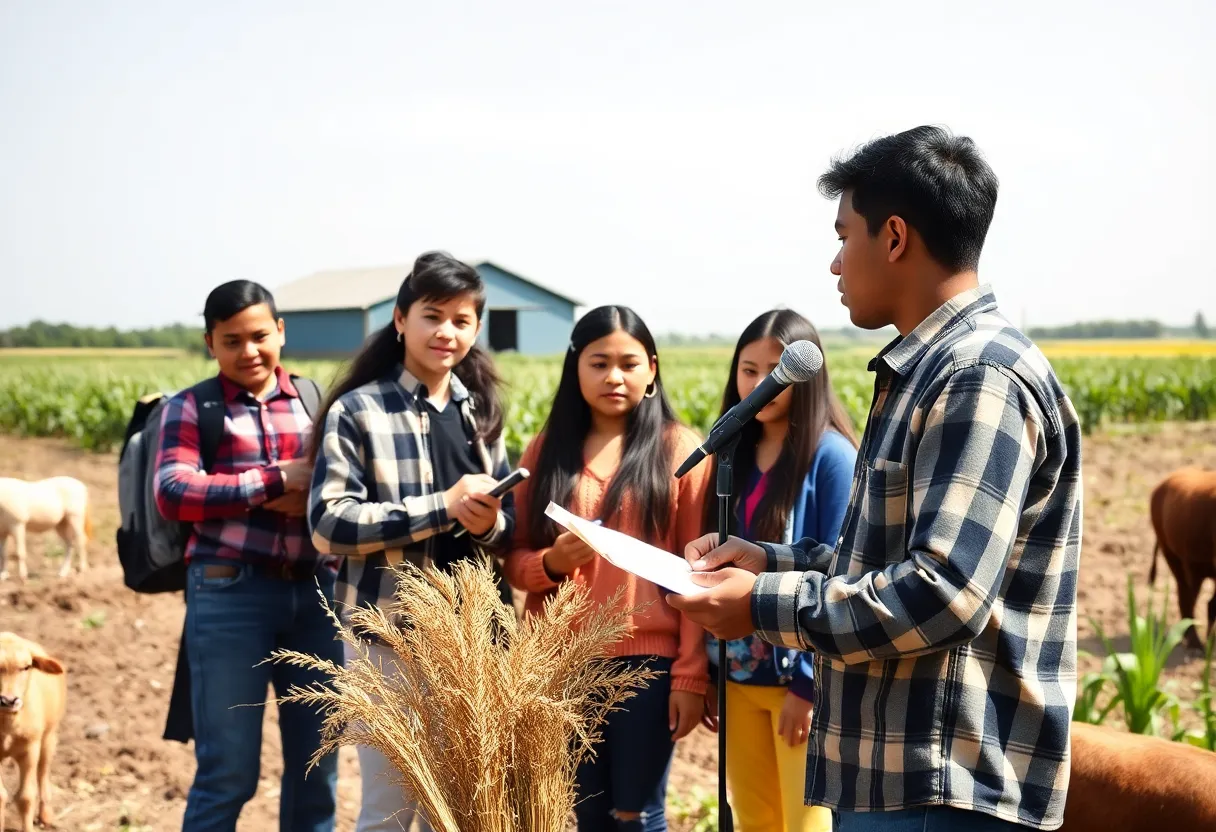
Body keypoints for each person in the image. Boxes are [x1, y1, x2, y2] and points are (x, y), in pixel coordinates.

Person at [667, 125, 1084, 832]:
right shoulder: (926, 371)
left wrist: (765, 605)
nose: (834, 263)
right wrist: (768, 560)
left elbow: (944, 591)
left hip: (939, 784)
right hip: (903, 777)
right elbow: (886, 560)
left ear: (893, 237)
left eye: (843, 235)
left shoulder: (976, 376)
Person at [306, 251, 515, 832]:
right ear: (400, 320)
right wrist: (442, 507)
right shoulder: (359, 410)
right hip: (390, 636)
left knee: (460, 807)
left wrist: (485, 523)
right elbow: (329, 523)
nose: (447, 332)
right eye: (432, 315)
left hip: (473, 640)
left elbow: (505, 524)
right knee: (392, 808)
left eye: (462, 320)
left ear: (476, 330)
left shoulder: (479, 412)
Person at [502, 305, 711, 832]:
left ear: (652, 369)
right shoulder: (545, 451)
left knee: (636, 814)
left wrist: (689, 672)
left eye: (628, 363)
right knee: (586, 813)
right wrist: (551, 562)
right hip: (561, 665)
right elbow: (515, 557)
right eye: (598, 363)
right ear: (576, 368)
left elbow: (697, 571)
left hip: (648, 665)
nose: (613, 376)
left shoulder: (680, 452)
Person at [153, 280, 342, 832]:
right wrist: (274, 481)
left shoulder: (316, 401)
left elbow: (342, 485)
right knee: (228, 773)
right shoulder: (191, 408)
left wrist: (237, 491)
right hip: (228, 593)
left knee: (318, 770)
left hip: (316, 595)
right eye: (231, 340)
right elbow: (173, 491)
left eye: (260, 335)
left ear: (281, 332)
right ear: (210, 343)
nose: (249, 350)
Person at [700, 308, 857, 832]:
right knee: (754, 820)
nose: (760, 384)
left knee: (805, 823)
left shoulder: (830, 457)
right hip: (739, 673)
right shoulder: (732, 454)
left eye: (775, 370)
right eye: (749, 369)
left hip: (799, 681)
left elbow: (838, 569)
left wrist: (808, 687)